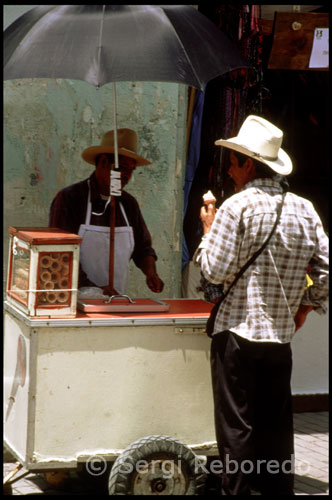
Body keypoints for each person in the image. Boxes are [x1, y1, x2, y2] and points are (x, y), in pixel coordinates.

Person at [194, 115, 329, 495]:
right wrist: (305, 306)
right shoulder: (304, 209)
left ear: (248, 164)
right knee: (276, 433)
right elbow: (327, 270)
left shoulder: (235, 208)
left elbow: (215, 271)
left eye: (233, 163)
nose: (230, 171)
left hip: (236, 336)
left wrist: (208, 229)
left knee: (237, 432)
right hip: (278, 341)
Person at [49, 128, 164, 296]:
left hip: (115, 301)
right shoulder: (70, 198)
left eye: (131, 170)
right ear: (103, 162)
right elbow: (60, 255)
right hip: (74, 300)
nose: (126, 175)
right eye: (122, 168)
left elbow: (143, 248)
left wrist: (151, 272)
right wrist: (94, 289)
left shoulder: (128, 203)